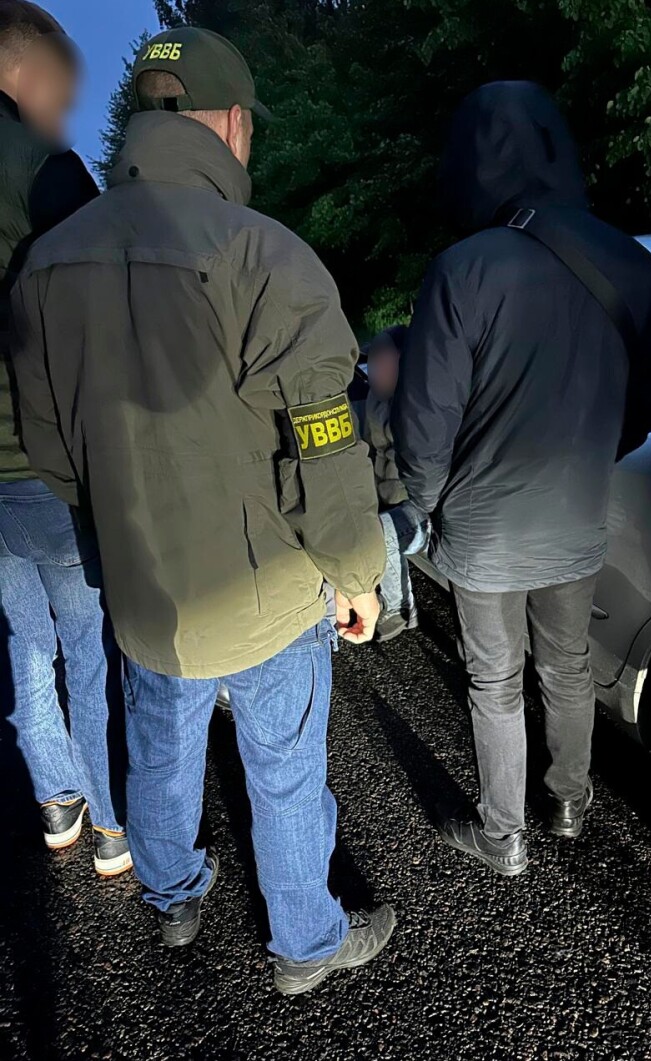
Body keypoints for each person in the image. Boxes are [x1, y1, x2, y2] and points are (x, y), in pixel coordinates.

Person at [12, 26, 394, 995]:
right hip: (264, 589)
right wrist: (356, 576)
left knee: (159, 744)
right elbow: (324, 446)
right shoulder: (267, 255)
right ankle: (304, 943)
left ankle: (173, 892)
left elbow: (54, 453)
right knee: (284, 767)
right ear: (229, 125)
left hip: (145, 590)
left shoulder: (48, 266)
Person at [392, 82, 651, 875]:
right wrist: (591, 460)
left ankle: (503, 835)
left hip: (483, 531)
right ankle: (570, 803)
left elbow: (427, 419)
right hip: (578, 517)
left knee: (495, 679)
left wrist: (422, 505)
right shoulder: (630, 260)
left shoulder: (464, 268)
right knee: (568, 664)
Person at [0, 0, 130, 876]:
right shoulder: (41, 166)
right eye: (57, 83)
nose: (66, 106)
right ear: (22, 69)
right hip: (45, 455)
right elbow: (106, 288)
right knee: (88, 643)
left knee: (24, 639)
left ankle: (56, 796)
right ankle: (114, 821)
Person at [363, 325, 428, 641]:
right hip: (387, 499)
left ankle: (400, 608)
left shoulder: (423, 403)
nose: (373, 368)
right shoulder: (373, 401)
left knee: (382, 529)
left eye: (381, 360)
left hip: (423, 508)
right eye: (371, 360)